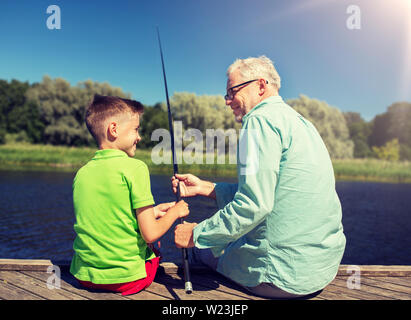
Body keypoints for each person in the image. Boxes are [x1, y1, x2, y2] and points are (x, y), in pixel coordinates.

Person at [173, 56, 346, 299]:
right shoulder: (301, 123)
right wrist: (207, 187)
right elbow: (276, 194)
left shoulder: (258, 121)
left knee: (203, 249)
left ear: (261, 86)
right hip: (320, 271)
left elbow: (253, 206)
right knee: (228, 234)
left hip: (281, 278)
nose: (227, 101)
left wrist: (196, 234)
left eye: (232, 91)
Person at [70, 94, 189, 296]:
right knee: (154, 243)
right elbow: (150, 234)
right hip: (128, 280)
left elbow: (108, 215)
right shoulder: (135, 168)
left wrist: (153, 211)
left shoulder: (81, 173)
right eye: (135, 129)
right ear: (114, 129)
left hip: (84, 276)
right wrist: (176, 212)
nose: (139, 137)